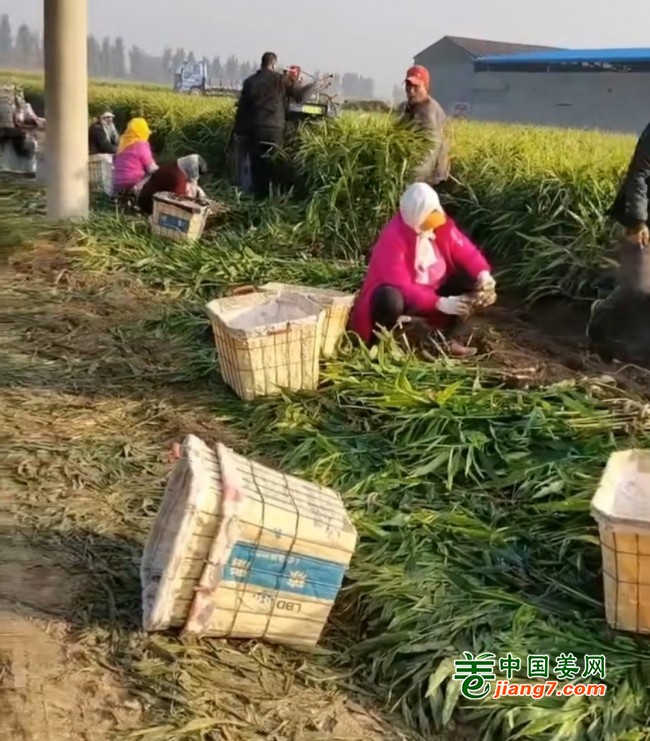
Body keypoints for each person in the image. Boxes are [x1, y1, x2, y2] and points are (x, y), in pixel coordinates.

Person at [348, 182, 496, 356]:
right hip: (408, 297)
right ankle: (376, 347)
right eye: (427, 222)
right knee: (389, 298)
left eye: (435, 219)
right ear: (415, 218)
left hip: (432, 289)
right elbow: (401, 286)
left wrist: (483, 274)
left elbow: (464, 249)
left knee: (469, 280)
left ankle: (444, 339)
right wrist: (438, 303)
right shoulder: (393, 239)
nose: (432, 226)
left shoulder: (440, 225)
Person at [234, 51, 316, 199]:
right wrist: (314, 85)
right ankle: (278, 195)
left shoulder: (249, 82)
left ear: (262, 63)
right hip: (274, 130)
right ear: (273, 64)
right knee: (275, 163)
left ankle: (259, 198)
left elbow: (242, 109)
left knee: (257, 166)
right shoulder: (281, 80)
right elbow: (300, 97)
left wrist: (238, 131)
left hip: (255, 130)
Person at [397, 65, 450, 187]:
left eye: (416, 86)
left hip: (429, 179)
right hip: (407, 174)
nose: (411, 90)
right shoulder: (404, 108)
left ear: (426, 87)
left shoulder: (429, 111)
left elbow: (430, 151)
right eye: (408, 85)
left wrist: (413, 178)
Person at [137, 154, 208, 215]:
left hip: (145, 196)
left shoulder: (175, 166)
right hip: (149, 204)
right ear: (192, 168)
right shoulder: (177, 178)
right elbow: (181, 202)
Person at [113, 117, 158, 194]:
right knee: (158, 174)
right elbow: (152, 169)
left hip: (117, 185)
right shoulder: (141, 145)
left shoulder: (122, 144)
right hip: (133, 184)